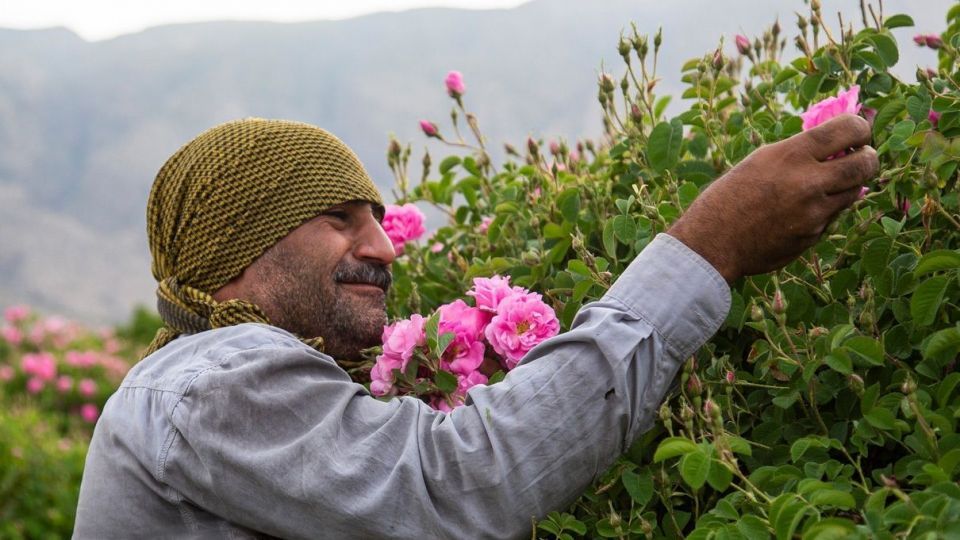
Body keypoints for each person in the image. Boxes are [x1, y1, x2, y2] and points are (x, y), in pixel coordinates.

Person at [73, 115, 877, 539]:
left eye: (380, 219)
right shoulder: (215, 379)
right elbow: (458, 485)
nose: (384, 246)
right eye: (338, 218)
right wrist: (712, 243)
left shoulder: (201, 382)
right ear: (239, 244)